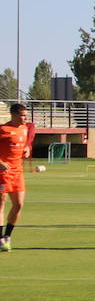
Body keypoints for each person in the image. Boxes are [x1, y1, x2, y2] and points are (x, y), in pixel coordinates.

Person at [0, 103, 32, 252]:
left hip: (18, 172)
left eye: (26, 115)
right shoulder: (3, 130)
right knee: (1, 204)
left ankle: (7, 235)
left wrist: (27, 148)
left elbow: (24, 144)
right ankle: (1, 239)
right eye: (22, 115)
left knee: (19, 204)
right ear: (13, 115)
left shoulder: (24, 129)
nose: (25, 118)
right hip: (3, 173)